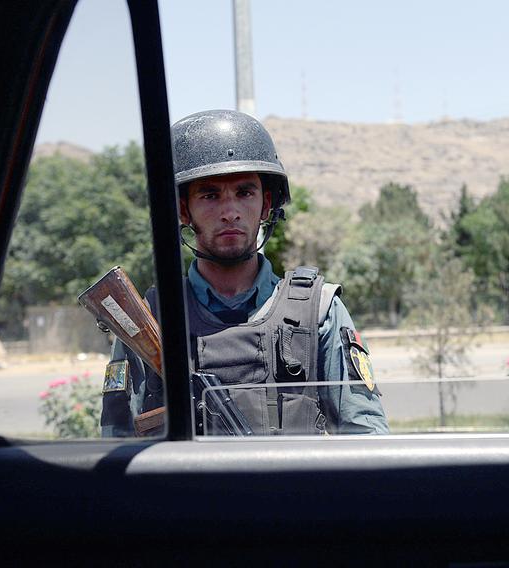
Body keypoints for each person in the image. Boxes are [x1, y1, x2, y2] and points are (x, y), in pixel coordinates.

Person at [100, 109, 389, 437]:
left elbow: (366, 437)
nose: (229, 212)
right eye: (210, 195)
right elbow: (117, 445)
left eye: (244, 193)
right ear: (184, 210)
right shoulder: (151, 318)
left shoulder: (319, 311)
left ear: (266, 205)